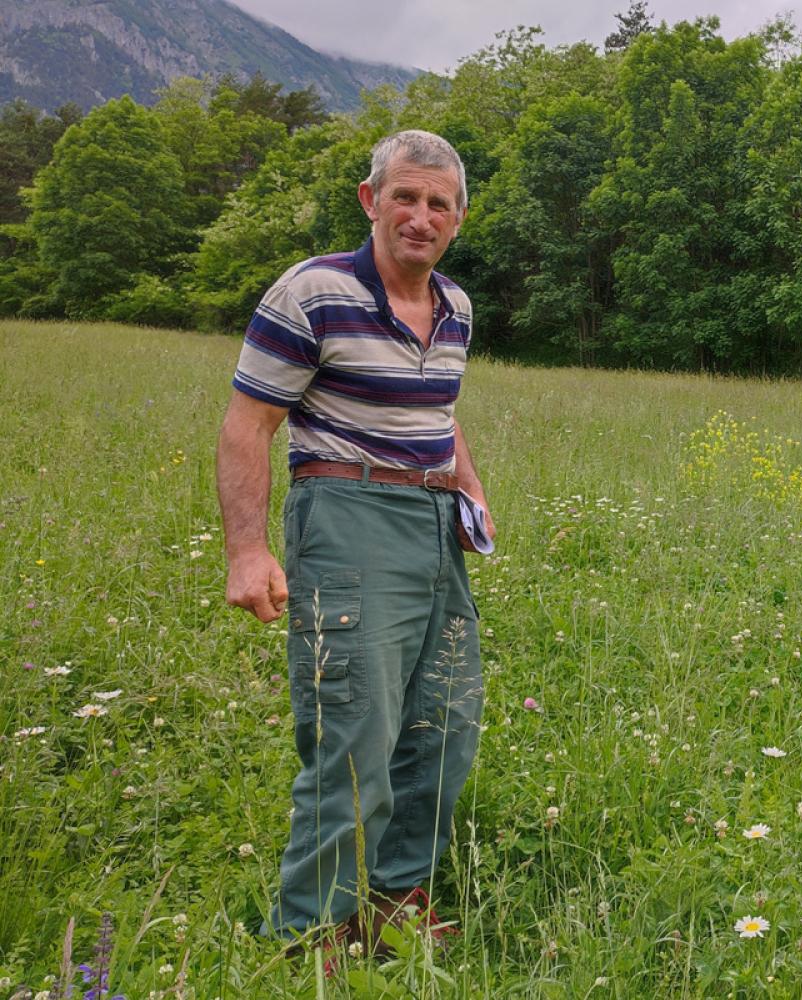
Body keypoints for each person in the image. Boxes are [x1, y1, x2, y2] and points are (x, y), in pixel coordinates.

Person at [215, 129, 492, 948]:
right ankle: (312, 929)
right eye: (404, 197)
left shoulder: (455, 307)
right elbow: (247, 425)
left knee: (445, 721)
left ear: (458, 218)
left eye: (438, 203)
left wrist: (468, 485)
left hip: (435, 525)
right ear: (372, 201)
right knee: (351, 730)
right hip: (347, 515)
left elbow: (437, 409)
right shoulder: (312, 292)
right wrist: (248, 550)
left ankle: (397, 894)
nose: (421, 215)